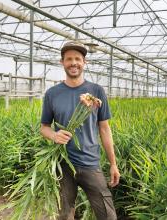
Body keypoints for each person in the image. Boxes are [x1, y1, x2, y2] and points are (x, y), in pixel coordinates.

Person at [40, 41, 120, 220]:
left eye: (78, 59)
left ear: (85, 63)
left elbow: (105, 129)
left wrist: (113, 164)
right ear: (62, 63)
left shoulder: (96, 91)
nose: (73, 63)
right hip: (63, 164)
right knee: (65, 214)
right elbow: (44, 127)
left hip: (90, 162)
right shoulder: (52, 93)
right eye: (69, 59)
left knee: (108, 215)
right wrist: (54, 135)